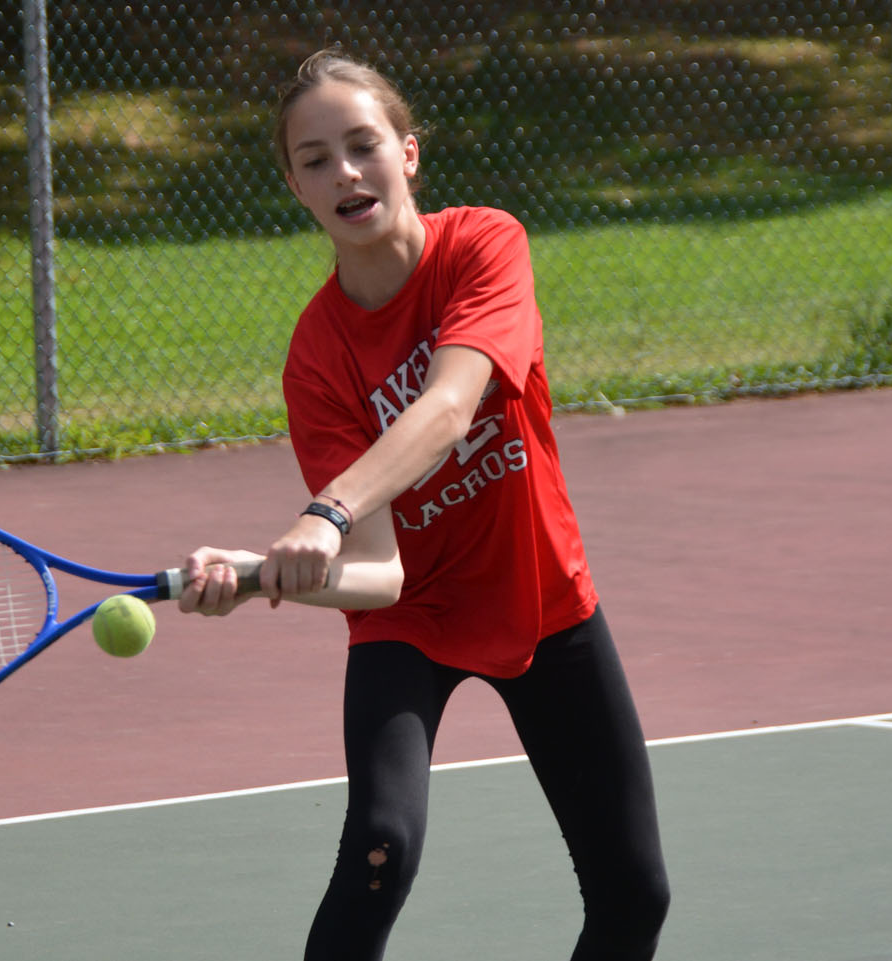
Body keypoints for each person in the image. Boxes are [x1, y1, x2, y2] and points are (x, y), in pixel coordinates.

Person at [177, 49, 670, 960]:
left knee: (634, 894)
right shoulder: (318, 354)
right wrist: (253, 576)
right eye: (315, 158)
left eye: (362, 144)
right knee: (381, 847)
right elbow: (379, 573)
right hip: (411, 618)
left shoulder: (485, 245)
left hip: (541, 596)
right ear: (294, 187)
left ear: (409, 154)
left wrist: (321, 512)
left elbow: (448, 408)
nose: (345, 172)